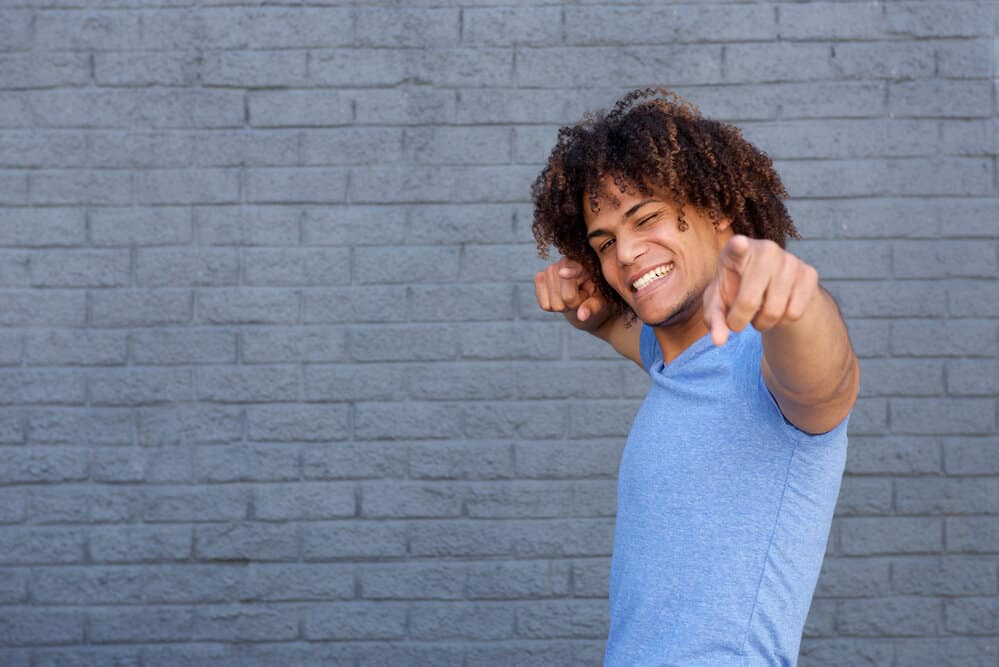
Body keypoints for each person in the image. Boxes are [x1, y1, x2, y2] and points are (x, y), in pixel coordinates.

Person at [531, 88, 860, 666]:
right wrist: (593, 309)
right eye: (604, 242)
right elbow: (625, 331)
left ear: (716, 210)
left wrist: (795, 296)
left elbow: (828, 381)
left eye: (646, 217)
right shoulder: (677, 365)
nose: (626, 252)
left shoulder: (766, 361)